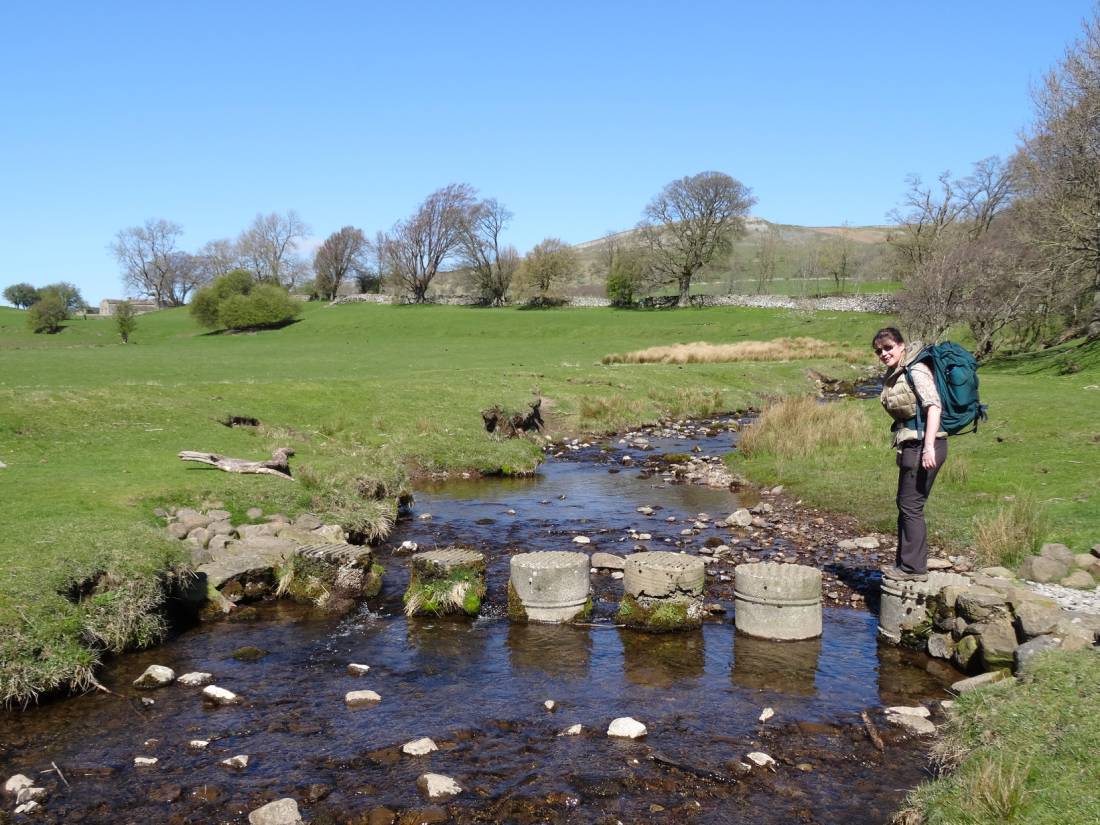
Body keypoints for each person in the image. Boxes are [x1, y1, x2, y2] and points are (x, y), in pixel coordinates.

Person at [873, 327, 947, 581]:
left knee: (911, 506)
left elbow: (934, 407)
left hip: (924, 445)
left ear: (902, 345)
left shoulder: (915, 370)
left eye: (888, 347)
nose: (883, 353)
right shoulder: (898, 372)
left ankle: (912, 568)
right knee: (907, 504)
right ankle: (906, 564)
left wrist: (928, 447)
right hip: (912, 445)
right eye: (879, 351)